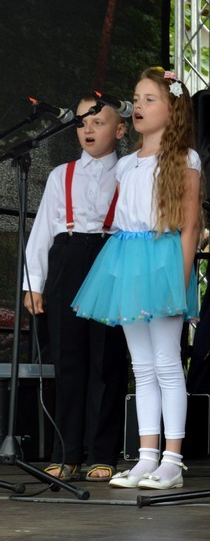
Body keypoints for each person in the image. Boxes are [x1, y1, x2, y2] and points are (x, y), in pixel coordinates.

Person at [72, 67, 202, 490]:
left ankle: (173, 459)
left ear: (172, 108)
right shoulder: (126, 165)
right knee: (142, 366)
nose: (139, 106)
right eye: (137, 98)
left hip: (163, 262)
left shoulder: (184, 159)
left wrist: (180, 281)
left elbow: (190, 226)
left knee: (167, 363)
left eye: (150, 99)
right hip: (127, 262)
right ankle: (147, 456)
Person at [23, 97, 129, 482]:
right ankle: (65, 452)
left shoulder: (129, 172)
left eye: (98, 122)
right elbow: (42, 233)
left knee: (106, 358)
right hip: (67, 258)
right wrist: (33, 284)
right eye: (82, 122)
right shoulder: (60, 175)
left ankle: (102, 453)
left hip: (109, 256)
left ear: (120, 130)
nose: (88, 129)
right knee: (68, 359)